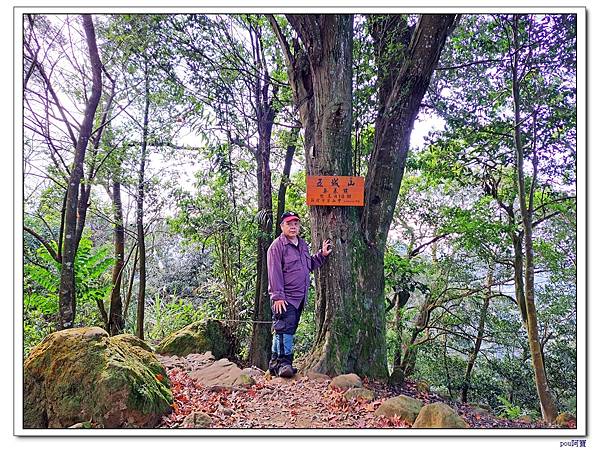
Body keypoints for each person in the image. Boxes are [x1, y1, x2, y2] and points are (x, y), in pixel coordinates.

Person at [267, 211, 333, 378]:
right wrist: (278, 296)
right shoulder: (277, 247)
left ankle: (274, 363)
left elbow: (308, 264)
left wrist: (321, 256)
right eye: (289, 224)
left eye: (295, 223)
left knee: (284, 330)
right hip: (285, 298)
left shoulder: (302, 244)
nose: (293, 226)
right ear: (282, 226)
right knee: (284, 330)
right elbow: (274, 272)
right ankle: (284, 363)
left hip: (299, 298)